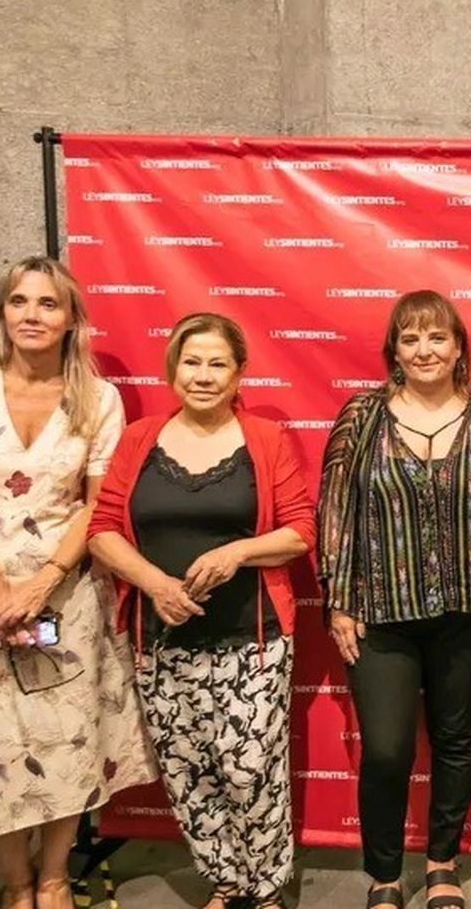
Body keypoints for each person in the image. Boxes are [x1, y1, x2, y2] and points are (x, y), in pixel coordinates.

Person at [0, 257, 155, 909]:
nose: (32, 315)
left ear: (71, 319)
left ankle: (55, 876)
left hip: (68, 592)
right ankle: (16, 883)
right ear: (3, 312)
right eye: (20, 302)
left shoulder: (98, 399)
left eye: (48, 304)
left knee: (65, 738)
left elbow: (98, 503)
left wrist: (45, 581)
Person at [88, 312, 315, 909]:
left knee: (249, 771)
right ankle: (225, 882)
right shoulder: (139, 440)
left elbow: (300, 532)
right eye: (193, 362)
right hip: (159, 641)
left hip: (253, 640)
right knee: (188, 771)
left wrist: (239, 551)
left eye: (219, 364)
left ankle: (266, 891)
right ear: (173, 369)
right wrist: (153, 583)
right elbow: (103, 530)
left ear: (240, 373)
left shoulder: (264, 440)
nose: (204, 375)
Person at [316, 291, 471, 909]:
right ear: (394, 351)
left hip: (469, 607)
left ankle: (442, 863)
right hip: (381, 610)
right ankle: (383, 874)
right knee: (388, 746)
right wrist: (339, 600)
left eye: (436, 338)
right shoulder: (362, 417)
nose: (425, 350)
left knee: (456, 740)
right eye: (410, 339)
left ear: (458, 348)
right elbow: (334, 513)